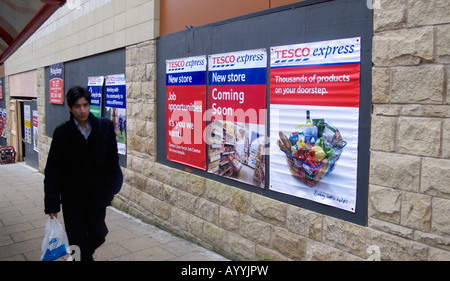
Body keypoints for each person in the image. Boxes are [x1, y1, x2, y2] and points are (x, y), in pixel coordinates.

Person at [44, 86, 119, 261]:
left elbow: (112, 162)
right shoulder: (62, 133)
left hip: (97, 197)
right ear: (70, 108)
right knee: (77, 244)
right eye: (77, 106)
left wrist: (108, 190)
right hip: (72, 200)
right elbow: (52, 171)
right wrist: (52, 204)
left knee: (98, 234)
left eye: (85, 105)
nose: (82, 110)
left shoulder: (104, 127)